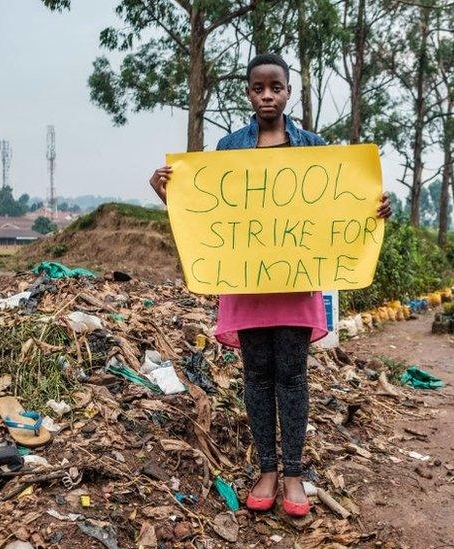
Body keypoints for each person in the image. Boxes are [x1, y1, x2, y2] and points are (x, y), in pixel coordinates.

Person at [148, 53, 392, 518]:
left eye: (275, 87)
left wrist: (376, 206)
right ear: (248, 92)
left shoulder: (315, 147)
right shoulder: (228, 147)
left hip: (297, 281)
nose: (267, 95)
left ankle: (295, 474)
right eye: (258, 88)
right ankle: (266, 470)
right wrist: (170, 194)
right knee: (257, 376)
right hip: (246, 282)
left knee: (293, 376)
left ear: (287, 92)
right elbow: (208, 211)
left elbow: (342, 203)